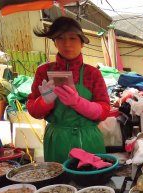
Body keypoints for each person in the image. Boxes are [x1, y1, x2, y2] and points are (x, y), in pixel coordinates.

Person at [26, 16, 113, 163]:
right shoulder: (43, 72)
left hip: (88, 140)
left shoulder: (92, 73)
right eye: (60, 38)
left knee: (90, 182)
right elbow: (34, 111)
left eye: (72, 38)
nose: (67, 44)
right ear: (54, 42)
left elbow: (104, 110)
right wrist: (44, 102)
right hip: (57, 141)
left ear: (82, 43)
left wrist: (79, 103)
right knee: (58, 184)